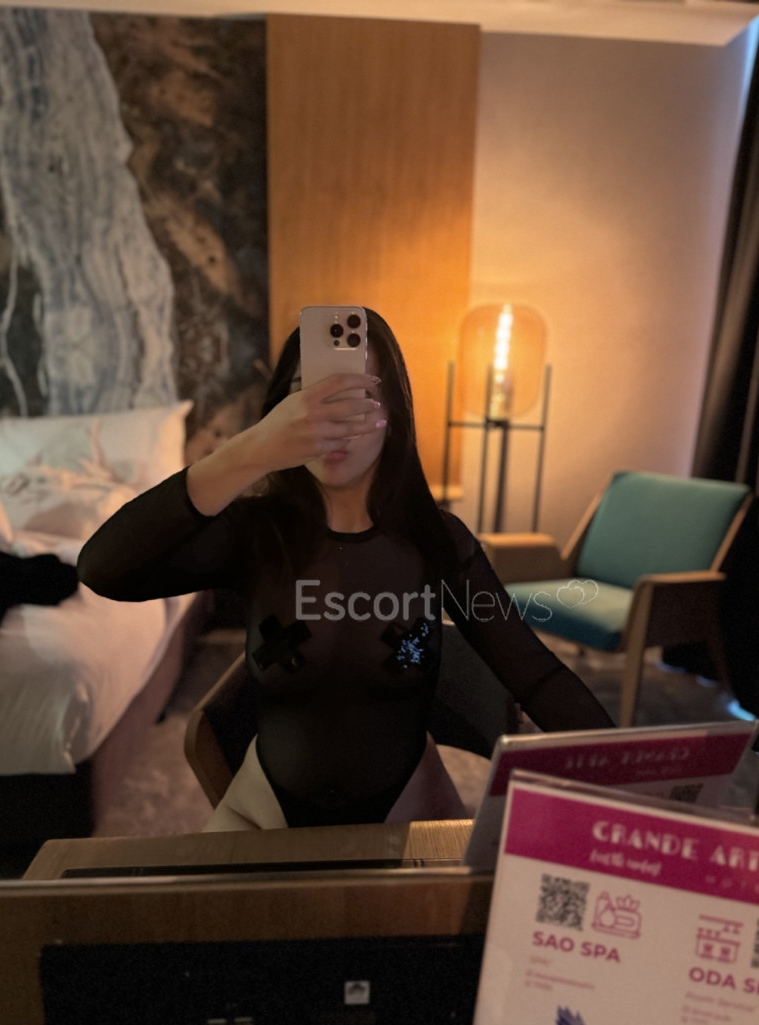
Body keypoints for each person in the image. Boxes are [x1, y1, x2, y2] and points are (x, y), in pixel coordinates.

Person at [78, 309, 613, 830]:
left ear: (393, 413)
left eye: (356, 396)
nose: (330, 419)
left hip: (412, 810)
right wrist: (248, 452)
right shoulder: (254, 532)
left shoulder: (437, 540)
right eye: (308, 397)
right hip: (262, 812)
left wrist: (632, 774)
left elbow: (534, 674)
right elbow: (104, 570)